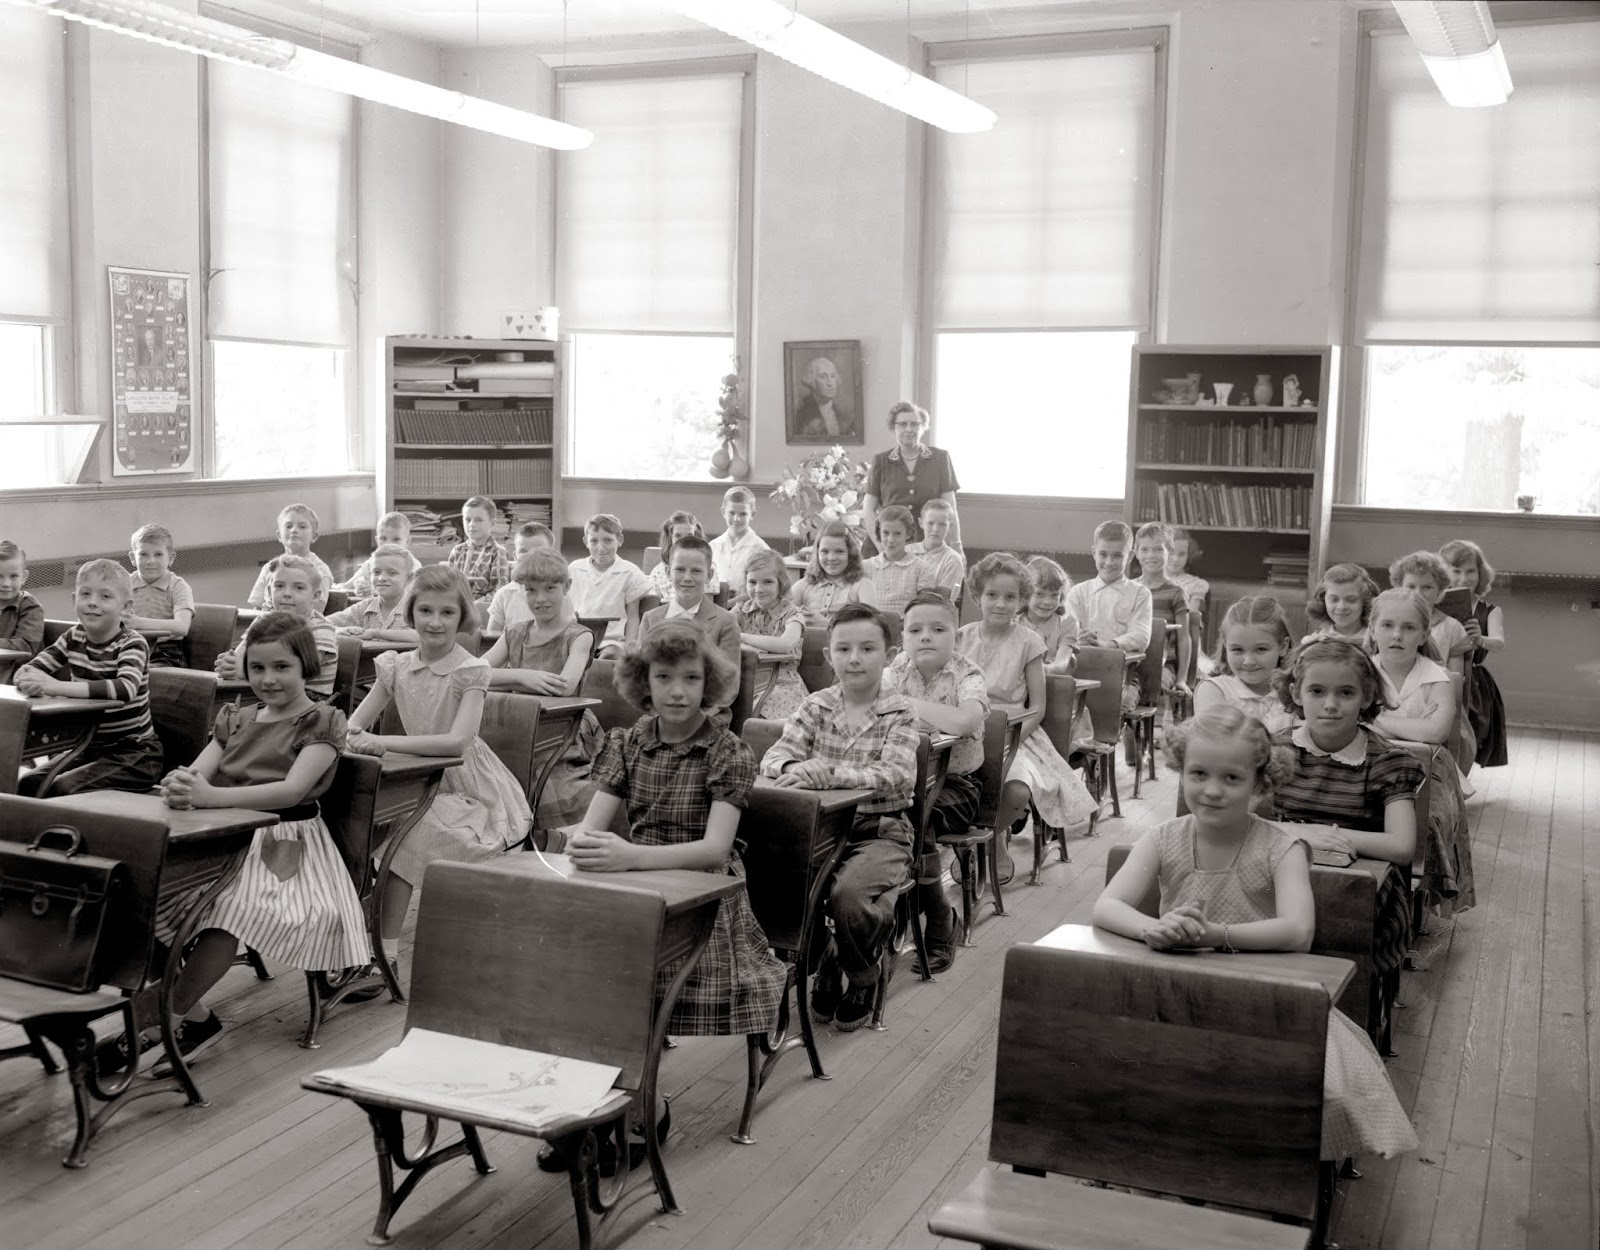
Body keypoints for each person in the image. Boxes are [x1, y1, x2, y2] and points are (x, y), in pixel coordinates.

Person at [1093, 707, 1417, 1163]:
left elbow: (1298, 931)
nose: (1211, 790)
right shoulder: (1162, 839)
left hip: (1265, 998)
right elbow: (1107, 906)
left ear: (1260, 785)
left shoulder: (1281, 847)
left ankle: (1264, 1173)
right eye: (1198, 774)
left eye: (1231, 778)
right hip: (1179, 993)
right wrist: (1154, 927)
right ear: (1179, 772)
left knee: (1288, 1093)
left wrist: (1212, 934)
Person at [151, 612, 370, 1066]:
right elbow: (199, 771)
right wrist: (181, 784)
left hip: (286, 845)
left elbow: (291, 791)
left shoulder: (322, 721)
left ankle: (161, 1020)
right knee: (152, 895)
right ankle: (193, 1015)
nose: (268, 679)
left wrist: (208, 797)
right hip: (224, 837)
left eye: (281, 667)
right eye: (257, 668)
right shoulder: (236, 717)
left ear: (305, 667)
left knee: (227, 913)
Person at [567, 621, 784, 1035]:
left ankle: (636, 1078)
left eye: (691, 678)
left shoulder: (726, 750)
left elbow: (715, 851)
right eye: (663, 678)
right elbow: (591, 827)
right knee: (579, 964)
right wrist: (580, 844)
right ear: (644, 683)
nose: (678, 691)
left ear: (709, 683)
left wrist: (629, 857)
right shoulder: (627, 742)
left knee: (628, 984)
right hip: (639, 882)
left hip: (703, 894)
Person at [346, 566, 533, 974]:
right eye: (425, 610)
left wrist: (380, 743)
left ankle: (386, 956)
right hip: (417, 781)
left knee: (406, 837)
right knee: (357, 825)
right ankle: (356, 939)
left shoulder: (470, 670)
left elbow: (456, 743)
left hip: (474, 789)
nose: (435, 621)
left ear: (462, 616)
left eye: (447, 613)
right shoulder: (394, 665)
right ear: (410, 613)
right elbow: (353, 726)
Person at [759, 603, 920, 1033]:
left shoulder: (899, 711)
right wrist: (793, 768)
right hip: (819, 831)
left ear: (888, 654)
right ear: (828, 655)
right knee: (788, 888)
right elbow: (775, 756)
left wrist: (828, 775)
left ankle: (863, 973)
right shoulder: (816, 704)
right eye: (843, 648)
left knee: (848, 896)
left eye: (868, 648)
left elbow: (896, 775)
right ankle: (828, 956)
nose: (855, 658)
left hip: (881, 830)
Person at [956, 553, 1097, 873]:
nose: (1001, 604)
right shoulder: (961, 636)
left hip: (1016, 730)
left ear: (1021, 600)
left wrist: (1011, 739)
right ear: (978, 596)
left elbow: (1037, 707)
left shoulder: (1029, 641)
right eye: (992, 595)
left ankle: (993, 838)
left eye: (1010, 597)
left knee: (1017, 789)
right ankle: (967, 838)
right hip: (966, 727)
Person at [883, 589, 988, 974]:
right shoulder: (895, 670)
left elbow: (965, 722)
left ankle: (939, 919)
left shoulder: (967, 673)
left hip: (956, 788)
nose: (925, 636)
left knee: (912, 816)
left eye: (938, 628)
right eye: (915, 630)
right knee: (891, 815)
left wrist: (907, 706)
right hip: (901, 783)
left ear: (955, 637)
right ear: (903, 639)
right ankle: (892, 914)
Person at [1269, 636, 1423, 869]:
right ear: (1296, 693)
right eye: (1317, 691)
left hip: (1362, 883)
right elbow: (1237, 820)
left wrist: (1324, 836)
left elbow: (1401, 847)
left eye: (1346, 693)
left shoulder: (1388, 761)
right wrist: (1301, 832)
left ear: (1367, 696)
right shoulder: (1277, 749)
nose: (1330, 704)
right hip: (1287, 869)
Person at [14, 559, 163, 796]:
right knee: (28, 784)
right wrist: (30, 681)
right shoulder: (74, 637)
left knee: (61, 789)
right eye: (85, 594)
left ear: (126, 607)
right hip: (87, 747)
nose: (93, 602)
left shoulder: (132, 643)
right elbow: (30, 669)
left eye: (105, 597)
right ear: (74, 600)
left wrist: (55, 686)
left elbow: (125, 689)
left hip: (135, 755)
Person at [483, 549, 598, 830]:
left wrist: (510, 680)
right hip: (516, 722)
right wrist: (521, 677)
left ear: (567, 587)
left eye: (550, 589)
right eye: (531, 590)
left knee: (542, 775)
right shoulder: (515, 633)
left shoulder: (579, 636)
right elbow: (473, 673)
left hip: (564, 727)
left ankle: (550, 837)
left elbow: (563, 686)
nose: (540, 599)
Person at [218, 555, 338, 699]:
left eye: (299, 588)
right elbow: (239, 656)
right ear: (269, 592)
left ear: (315, 596)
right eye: (279, 586)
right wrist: (229, 665)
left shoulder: (321, 628)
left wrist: (245, 669)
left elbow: (304, 670)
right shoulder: (262, 621)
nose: (286, 594)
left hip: (309, 701)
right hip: (269, 692)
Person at [1063, 519, 1152, 712]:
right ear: (1094, 551)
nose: (1109, 562)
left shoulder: (1140, 593)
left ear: (1130, 557)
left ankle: (1105, 741)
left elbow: (1141, 636)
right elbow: (1066, 632)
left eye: (1117, 556)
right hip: (1080, 669)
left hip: (1123, 675)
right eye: (1103, 554)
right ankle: (1077, 742)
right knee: (1061, 699)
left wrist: (1108, 644)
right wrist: (1077, 638)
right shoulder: (1078, 592)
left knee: (1118, 701)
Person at [1440, 538, 1507, 768]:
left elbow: (1498, 643)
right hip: (1440, 674)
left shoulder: (1490, 610)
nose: (1464, 578)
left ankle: (1460, 778)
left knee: (1467, 736)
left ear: (1481, 574)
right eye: (1456, 571)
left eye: (1471, 571)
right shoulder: (1434, 606)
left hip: (1474, 682)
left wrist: (1480, 639)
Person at [862, 401, 961, 551]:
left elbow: (950, 508)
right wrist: (879, 545)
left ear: (924, 427)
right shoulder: (881, 461)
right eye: (902, 424)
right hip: (888, 542)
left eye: (915, 424)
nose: (909, 429)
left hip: (926, 545)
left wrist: (956, 544)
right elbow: (868, 509)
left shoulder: (940, 458)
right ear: (893, 428)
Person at [1193, 595, 1297, 736]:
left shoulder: (1295, 693)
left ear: (1283, 646)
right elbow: (1212, 745)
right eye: (1237, 650)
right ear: (1226, 646)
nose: (1248, 661)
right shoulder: (1214, 691)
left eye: (1261, 649)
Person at [733, 549, 807, 721]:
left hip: (780, 682)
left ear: (781, 583)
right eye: (752, 582)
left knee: (763, 706)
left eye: (767, 582)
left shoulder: (792, 614)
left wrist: (742, 636)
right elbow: (719, 628)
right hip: (743, 678)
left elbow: (785, 644)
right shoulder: (741, 609)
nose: (759, 589)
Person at [568, 512, 653, 655]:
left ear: (619, 540)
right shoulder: (574, 569)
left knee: (609, 657)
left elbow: (633, 617)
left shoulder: (629, 572)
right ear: (585, 541)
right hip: (577, 638)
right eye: (594, 541)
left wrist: (629, 649)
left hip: (611, 642)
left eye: (608, 540)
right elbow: (566, 608)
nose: (601, 548)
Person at [1132, 521, 1193, 702]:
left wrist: (1181, 679)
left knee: (1149, 685)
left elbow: (1184, 638)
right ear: (1135, 552)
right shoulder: (1130, 589)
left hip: (1163, 666)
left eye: (1158, 549)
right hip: (1132, 662)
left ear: (1169, 552)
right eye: (1145, 549)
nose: (1151, 555)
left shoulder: (1176, 593)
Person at [1390, 550, 1471, 677]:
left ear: (1440, 592)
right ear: (1399, 588)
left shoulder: (1452, 627)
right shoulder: (1388, 622)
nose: (1418, 593)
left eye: (1427, 587)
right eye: (1411, 586)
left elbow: (1456, 681)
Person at [125, 523, 193, 668]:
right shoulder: (124, 584)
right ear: (132, 557)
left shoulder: (178, 587)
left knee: (137, 671)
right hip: (130, 647)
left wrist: (138, 622)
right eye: (143, 554)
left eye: (158, 554)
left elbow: (182, 627)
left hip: (166, 654)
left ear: (171, 558)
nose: (150, 561)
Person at [245, 503, 335, 613]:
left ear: (314, 536)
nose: (294, 530)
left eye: (302, 526)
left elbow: (316, 611)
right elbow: (257, 607)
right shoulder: (270, 568)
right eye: (288, 526)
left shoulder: (321, 570)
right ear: (279, 536)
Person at [791, 521, 878, 626]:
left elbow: (872, 625)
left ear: (851, 554)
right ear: (817, 553)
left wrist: (825, 623)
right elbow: (781, 618)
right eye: (825, 551)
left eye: (839, 551)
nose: (831, 558)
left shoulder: (863, 586)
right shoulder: (802, 586)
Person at [327, 544, 413, 637]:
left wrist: (376, 633)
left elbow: (423, 636)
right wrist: (340, 630)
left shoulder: (415, 608)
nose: (381, 578)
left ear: (408, 578)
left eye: (391, 573)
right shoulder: (362, 609)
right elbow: (321, 624)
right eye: (376, 572)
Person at [486, 522, 558, 632]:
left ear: (551, 554)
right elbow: (490, 639)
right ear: (515, 557)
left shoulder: (562, 594)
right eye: (523, 552)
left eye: (537, 551)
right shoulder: (504, 595)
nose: (530, 557)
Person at [447, 495, 510, 610]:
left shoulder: (497, 552)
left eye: (479, 520)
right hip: (456, 606)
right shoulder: (457, 551)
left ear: (492, 523)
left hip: (483, 608)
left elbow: (501, 591)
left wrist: (476, 603)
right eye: (468, 520)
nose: (472, 525)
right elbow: (448, 585)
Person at [862, 504, 926, 616]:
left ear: (908, 534)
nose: (891, 540)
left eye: (897, 533)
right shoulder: (866, 567)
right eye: (885, 533)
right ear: (878, 532)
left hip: (906, 628)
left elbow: (924, 608)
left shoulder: (920, 568)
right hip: (873, 627)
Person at [343, 512, 423, 600]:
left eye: (396, 539)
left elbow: (404, 592)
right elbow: (347, 586)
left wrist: (374, 590)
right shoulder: (371, 563)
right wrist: (359, 588)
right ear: (377, 540)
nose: (388, 544)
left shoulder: (413, 566)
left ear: (407, 541)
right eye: (383, 538)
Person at [646, 512, 720, 606]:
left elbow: (708, 607)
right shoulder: (658, 572)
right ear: (670, 538)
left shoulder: (706, 568)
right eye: (678, 536)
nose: (684, 540)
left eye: (689, 536)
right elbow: (652, 607)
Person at [710, 486, 770, 597]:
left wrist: (726, 606)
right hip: (715, 605)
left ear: (752, 514)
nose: (736, 519)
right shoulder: (713, 546)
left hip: (747, 608)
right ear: (723, 512)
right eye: (731, 513)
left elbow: (760, 589)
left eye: (743, 514)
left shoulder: (761, 550)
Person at [1022, 555, 1077, 674]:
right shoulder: (1014, 623)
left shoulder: (1067, 624)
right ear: (1026, 593)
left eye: (1054, 595)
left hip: (1055, 686)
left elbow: (1061, 664)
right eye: (1040, 594)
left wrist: (1039, 671)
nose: (1047, 602)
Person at [1304, 562, 1379, 645]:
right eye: (1334, 599)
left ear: (1365, 601)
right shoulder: (1315, 642)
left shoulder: (1377, 639)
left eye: (1351, 600)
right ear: (1323, 600)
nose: (1341, 607)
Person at [909, 499, 965, 598]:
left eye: (942, 525)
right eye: (930, 523)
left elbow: (943, 601)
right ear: (921, 523)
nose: (935, 529)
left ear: (950, 526)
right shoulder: (906, 552)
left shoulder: (953, 560)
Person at [793, 356, 857, 440]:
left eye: (833, 376)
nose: (830, 383)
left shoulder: (841, 416)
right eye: (823, 377)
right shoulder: (803, 416)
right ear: (812, 381)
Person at [0, 540, 44, 657]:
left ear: (24, 577)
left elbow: (25, 647)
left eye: (13, 576)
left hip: (19, 671)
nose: (6, 583)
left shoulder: (30, 607)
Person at [1164, 527, 1209, 620]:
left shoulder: (1195, 585)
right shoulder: (1149, 580)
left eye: (1182, 554)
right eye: (1171, 553)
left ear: (1188, 555)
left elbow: (1191, 620)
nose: (1176, 559)